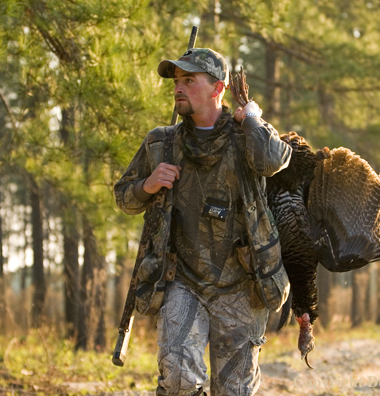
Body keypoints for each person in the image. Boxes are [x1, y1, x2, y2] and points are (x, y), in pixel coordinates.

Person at [114, 48, 292, 396]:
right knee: (179, 380)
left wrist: (253, 116)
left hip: (242, 286)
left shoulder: (247, 137)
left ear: (217, 88)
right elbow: (124, 196)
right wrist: (147, 185)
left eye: (189, 80)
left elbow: (274, 160)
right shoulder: (161, 142)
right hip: (183, 282)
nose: (178, 88)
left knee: (233, 391)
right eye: (177, 81)